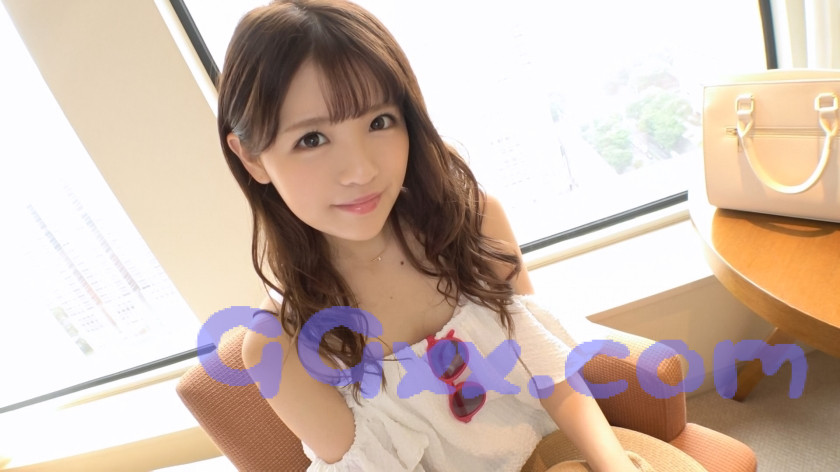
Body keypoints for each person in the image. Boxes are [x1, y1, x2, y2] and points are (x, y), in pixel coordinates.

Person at [218, 1, 645, 470]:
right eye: (312, 139)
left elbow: (551, 375)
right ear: (252, 158)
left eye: (379, 122)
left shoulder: (472, 223)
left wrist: (616, 467)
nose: (361, 170)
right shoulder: (280, 347)